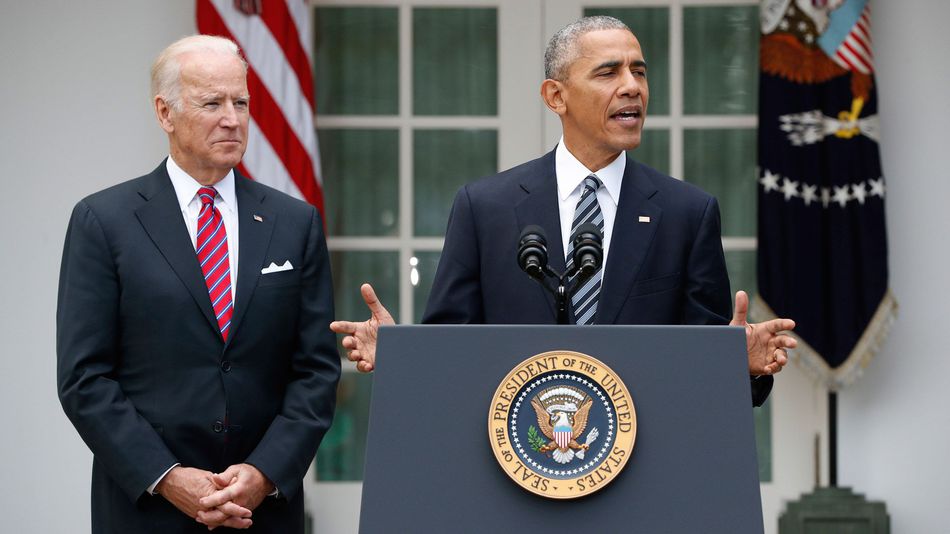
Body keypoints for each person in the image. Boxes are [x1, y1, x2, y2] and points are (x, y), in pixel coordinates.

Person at [331, 16, 795, 406]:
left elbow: (706, 373)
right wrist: (403, 355)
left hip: (643, 482)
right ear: (556, 96)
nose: (632, 87)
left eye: (640, 71)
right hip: (515, 471)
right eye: (608, 72)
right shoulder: (485, 207)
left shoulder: (687, 213)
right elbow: (453, 353)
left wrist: (742, 367)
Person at [56, 35, 340, 532]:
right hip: (147, 511)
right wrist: (166, 477)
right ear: (165, 113)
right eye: (212, 102)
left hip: (262, 512)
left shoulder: (295, 222)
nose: (232, 118)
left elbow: (315, 370)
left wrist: (264, 471)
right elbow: (85, 377)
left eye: (241, 102)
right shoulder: (104, 221)